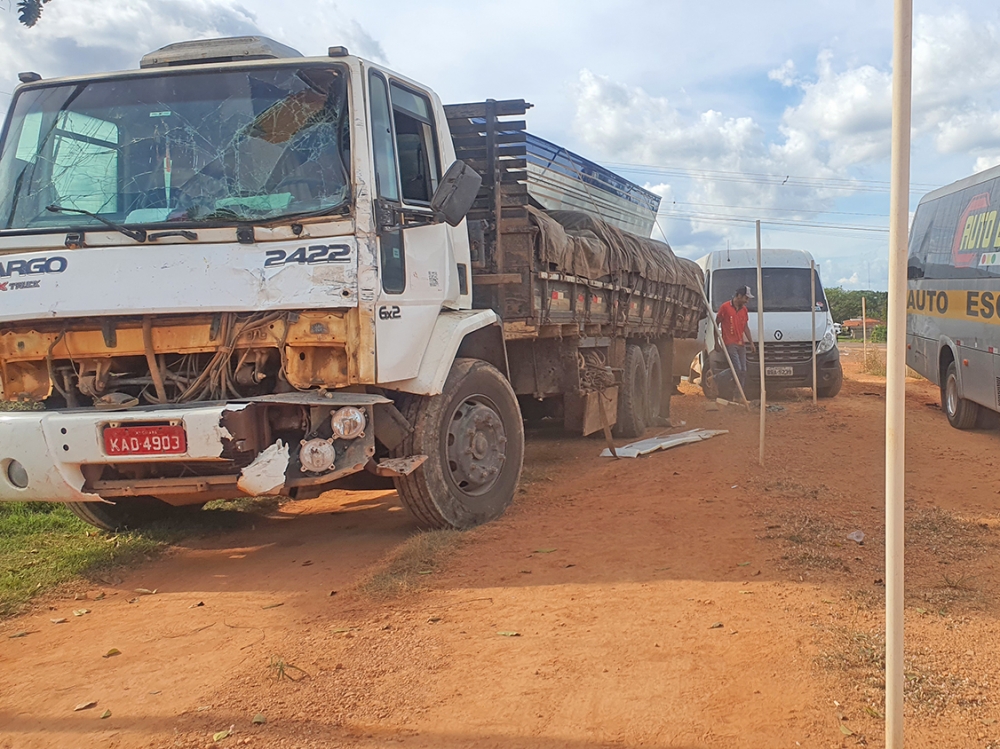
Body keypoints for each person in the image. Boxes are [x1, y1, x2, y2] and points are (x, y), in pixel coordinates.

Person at [716, 285, 756, 390]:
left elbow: (745, 327)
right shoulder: (725, 307)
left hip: (740, 343)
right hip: (729, 343)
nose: (747, 301)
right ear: (739, 296)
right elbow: (716, 323)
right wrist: (716, 341)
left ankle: (738, 394)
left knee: (743, 370)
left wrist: (751, 342)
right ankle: (717, 378)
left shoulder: (744, 310)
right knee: (737, 368)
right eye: (746, 298)